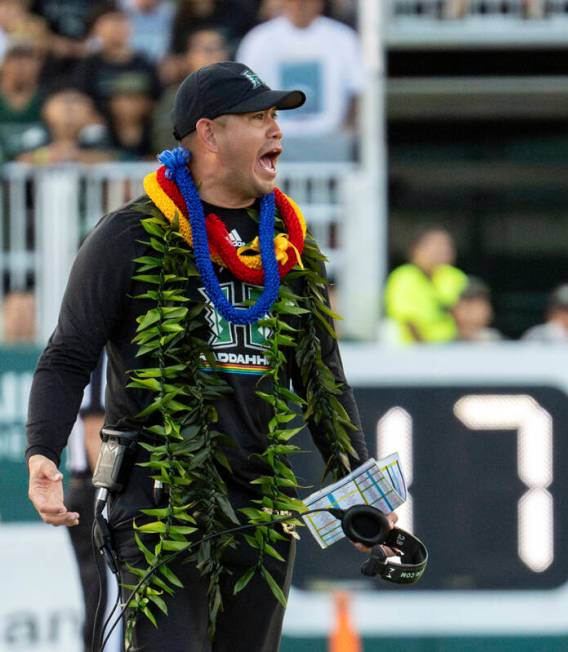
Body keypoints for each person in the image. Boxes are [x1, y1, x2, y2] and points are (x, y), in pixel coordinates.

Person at [24, 61, 388, 651]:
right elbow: (67, 354)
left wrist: (362, 494)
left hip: (261, 502)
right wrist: (42, 450)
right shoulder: (129, 235)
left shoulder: (289, 243)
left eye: (275, 117)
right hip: (158, 501)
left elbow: (324, 381)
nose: (277, 132)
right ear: (209, 134)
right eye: (258, 117)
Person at [236, 0, 364, 141]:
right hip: (271, 139)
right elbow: (245, 89)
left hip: (330, 138)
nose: (300, 5)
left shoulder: (343, 38)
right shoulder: (259, 40)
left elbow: (357, 90)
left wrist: (345, 132)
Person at [62, 354, 121, 652]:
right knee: (104, 596)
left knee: (97, 594)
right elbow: (92, 432)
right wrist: (111, 491)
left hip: (83, 489)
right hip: (93, 490)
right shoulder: (98, 357)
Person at [73, 3, 161, 115]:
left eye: (121, 22)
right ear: (95, 30)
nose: (116, 29)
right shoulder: (88, 65)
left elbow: (156, 98)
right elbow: (83, 100)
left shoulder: (144, 63)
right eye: (110, 24)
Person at [151, 27, 228, 153]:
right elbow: (167, 143)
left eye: (218, 48)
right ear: (188, 57)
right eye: (207, 49)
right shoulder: (175, 97)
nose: (214, 55)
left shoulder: (238, 94)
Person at [384, 226, 468, 344]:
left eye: (446, 247)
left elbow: (470, 314)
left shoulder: (455, 277)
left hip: (453, 345)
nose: (441, 252)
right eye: (435, 247)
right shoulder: (403, 277)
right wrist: (425, 352)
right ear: (416, 250)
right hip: (412, 348)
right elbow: (408, 321)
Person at [17, 86, 115, 164]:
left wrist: (75, 155)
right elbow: (22, 159)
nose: (68, 109)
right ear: (46, 110)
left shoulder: (95, 133)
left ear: (90, 110)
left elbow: (108, 157)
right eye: (62, 102)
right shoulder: (37, 134)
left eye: (76, 102)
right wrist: (48, 156)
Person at [0, 35, 46, 161]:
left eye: (28, 58)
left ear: (39, 64)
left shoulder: (48, 101)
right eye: (14, 58)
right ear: (3, 63)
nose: (21, 65)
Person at [451, 278, 502, 343]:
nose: (470, 314)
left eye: (477, 306)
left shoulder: (503, 345)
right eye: (465, 307)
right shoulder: (440, 345)